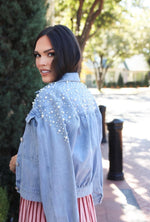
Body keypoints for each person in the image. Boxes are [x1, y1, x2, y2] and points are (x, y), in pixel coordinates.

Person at [9, 24, 103, 222]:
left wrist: (19, 162)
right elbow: (89, 157)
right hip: (82, 206)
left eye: (50, 54)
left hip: (50, 209)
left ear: (67, 54)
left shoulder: (50, 97)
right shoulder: (85, 94)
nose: (41, 62)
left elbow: (56, 171)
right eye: (37, 55)